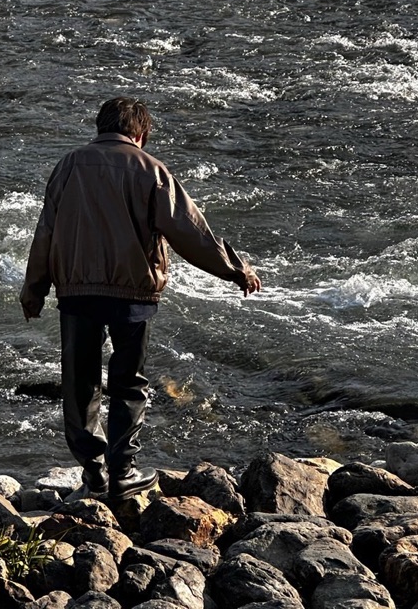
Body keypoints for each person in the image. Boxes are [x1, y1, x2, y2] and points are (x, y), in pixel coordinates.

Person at [20, 97, 261, 500]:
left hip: (77, 292)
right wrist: (235, 269)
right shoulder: (151, 170)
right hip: (133, 294)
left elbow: (45, 231)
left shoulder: (67, 166)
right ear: (141, 133)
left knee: (80, 385)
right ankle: (123, 472)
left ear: (99, 127)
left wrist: (34, 289)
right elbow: (190, 233)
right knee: (129, 384)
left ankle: (93, 473)